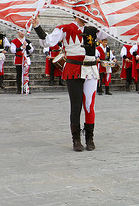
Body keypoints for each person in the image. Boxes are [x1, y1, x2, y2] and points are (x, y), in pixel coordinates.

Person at [32, 15, 104, 152]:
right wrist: (37, 26)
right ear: (76, 14)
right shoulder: (65, 29)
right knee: (76, 105)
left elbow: (112, 32)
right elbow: (47, 41)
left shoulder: (94, 29)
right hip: (74, 69)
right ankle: (76, 140)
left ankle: (90, 138)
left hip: (90, 70)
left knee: (89, 105)